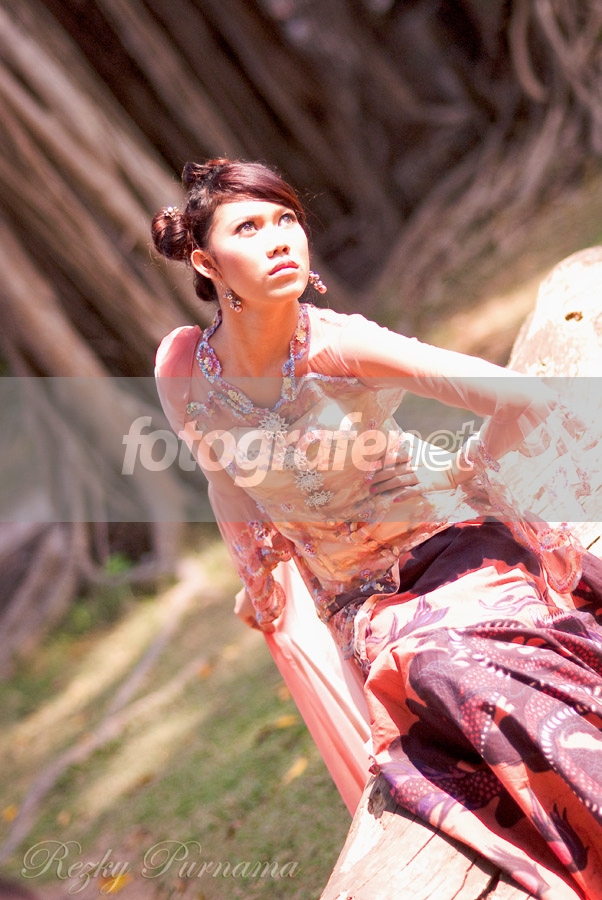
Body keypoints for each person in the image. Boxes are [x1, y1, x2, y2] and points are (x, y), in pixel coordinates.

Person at [152, 158, 602, 900]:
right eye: (249, 227)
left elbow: (519, 396)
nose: (280, 239)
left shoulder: (337, 345)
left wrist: (468, 471)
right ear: (205, 262)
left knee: (465, 661)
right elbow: (225, 482)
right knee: (432, 667)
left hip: (455, 549)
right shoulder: (182, 369)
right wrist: (259, 587)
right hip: (361, 603)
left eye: (287, 218)